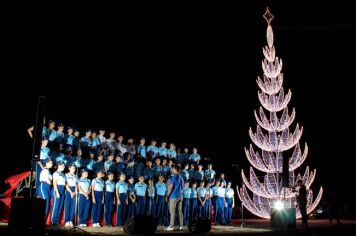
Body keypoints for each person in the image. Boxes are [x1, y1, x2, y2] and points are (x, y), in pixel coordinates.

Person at [165, 165, 184, 231]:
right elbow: (182, 187)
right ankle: (181, 226)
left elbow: (170, 188)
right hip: (180, 196)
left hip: (173, 197)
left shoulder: (174, 177)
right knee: (179, 211)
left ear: (176, 170)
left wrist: (167, 196)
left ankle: (171, 226)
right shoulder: (181, 178)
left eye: (173, 169)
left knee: (172, 212)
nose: (172, 170)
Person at [51, 161, 66, 225]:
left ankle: (57, 221)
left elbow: (64, 183)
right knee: (56, 205)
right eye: (63, 166)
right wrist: (57, 192)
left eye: (64, 166)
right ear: (59, 166)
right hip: (57, 189)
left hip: (62, 189)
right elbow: (54, 183)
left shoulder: (63, 174)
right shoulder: (55, 173)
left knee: (60, 206)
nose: (64, 167)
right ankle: (53, 221)